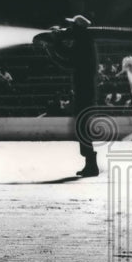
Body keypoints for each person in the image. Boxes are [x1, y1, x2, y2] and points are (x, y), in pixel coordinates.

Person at [33, 14, 100, 177]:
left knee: (82, 126)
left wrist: (52, 45)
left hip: (85, 90)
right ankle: (90, 163)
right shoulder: (86, 43)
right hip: (86, 89)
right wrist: (54, 45)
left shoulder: (84, 44)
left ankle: (91, 164)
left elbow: (67, 59)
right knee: (82, 126)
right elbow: (68, 58)